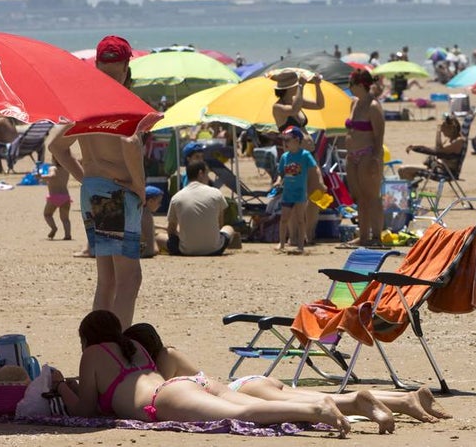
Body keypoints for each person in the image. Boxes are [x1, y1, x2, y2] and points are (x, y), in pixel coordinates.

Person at [49, 310, 350, 433]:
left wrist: (62, 385)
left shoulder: (92, 354)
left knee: (243, 415)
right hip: (182, 385)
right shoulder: (132, 346)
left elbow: (85, 410)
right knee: (251, 406)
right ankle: (314, 405)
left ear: (87, 337)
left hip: (164, 399)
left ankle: (315, 409)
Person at [124, 322, 451, 429]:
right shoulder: (170, 351)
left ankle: (392, 401)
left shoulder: (160, 361)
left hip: (242, 389)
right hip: (248, 383)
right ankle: (403, 399)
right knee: (311, 397)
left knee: (311, 402)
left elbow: (171, 389)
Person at [49, 35, 146, 328]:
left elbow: (56, 146)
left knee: (107, 280)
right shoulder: (123, 100)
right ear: (127, 67)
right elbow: (130, 143)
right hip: (118, 192)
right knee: (130, 279)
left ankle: (98, 347)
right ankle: (118, 349)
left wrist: (84, 177)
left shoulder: (87, 105)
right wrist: (139, 189)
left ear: (97, 66)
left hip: (94, 192)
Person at [345, 69, 385, 247]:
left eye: (351, 85)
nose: (349, 88)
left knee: (372, 196)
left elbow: (379, 137)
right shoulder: (354, 103)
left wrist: (376, 160)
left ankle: (376, 236)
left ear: (361, 85)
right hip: (352, 155)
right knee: (359, 197)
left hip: (368, 153)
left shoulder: (373, 106)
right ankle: (363, 236)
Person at [163, 160, 236, 256]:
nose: (208, 177)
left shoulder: (177, 197)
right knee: (228, 228)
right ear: (200, 173)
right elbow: (220, 224)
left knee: (160, 237)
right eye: (207, 174)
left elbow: (171, 230)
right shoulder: (216, 193)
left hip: (186, 250)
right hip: (214, 249)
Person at [273, 126, 319, 255]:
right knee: (284, 219)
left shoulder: (305, 155)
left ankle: (300, 245)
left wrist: (317, 183)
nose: (285, 143)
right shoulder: (285, 157)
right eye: (284, 140)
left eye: (288, 140)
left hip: (300, 192)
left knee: (300, 219)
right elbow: (281, 173)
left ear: (297, 140)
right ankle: (281, 243)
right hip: (288, 192)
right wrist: (278, 181)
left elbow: (314, 168)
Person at [398, 115, 465, 181]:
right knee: (401, 170)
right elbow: (436, 149)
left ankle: (410, 190)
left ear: (451, 128)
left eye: (443, 127)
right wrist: (416, 147)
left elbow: (438, 150)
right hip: (437, 168)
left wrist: (438, 133)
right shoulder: (450, 140)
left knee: (404, 170)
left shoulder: (459, 141)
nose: (442, 130)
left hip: (444, 172)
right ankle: (411, 189)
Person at [271, 70, 325, 149]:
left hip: (309, 152)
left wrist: (317, 85)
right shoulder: (277, 107)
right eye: (296, 85)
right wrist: (301, 86)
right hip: (294, 156)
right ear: (289, 88)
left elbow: (319, 105)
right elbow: (294, 110)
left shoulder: (296, 101)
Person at [44, 158, 73, 241]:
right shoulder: (66, 169)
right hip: (65, 196)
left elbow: (52, 175)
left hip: (54, 197)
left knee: (47, 214)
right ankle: (68, 235)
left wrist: (41, 176)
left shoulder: (52, 168)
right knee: (65, 218)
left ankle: (54, 228)